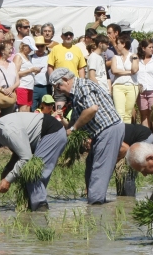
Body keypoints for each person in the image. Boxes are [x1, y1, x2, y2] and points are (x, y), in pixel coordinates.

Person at [50, 67, 124, 205]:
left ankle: (96, 206)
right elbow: (76, 118)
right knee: (90, 167)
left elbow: (92, 109)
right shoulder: (74, 93)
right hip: (99, 133)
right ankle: (94, 199)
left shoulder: (83, 86)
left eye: (58, 87)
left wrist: (73, 128)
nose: (58, 91)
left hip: (109, 129)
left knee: (99, 169)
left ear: (66, 80)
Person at [0, 111, 67, 211]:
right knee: (29, 175)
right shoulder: (0, 129)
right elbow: (19, 152)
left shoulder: (8, 130)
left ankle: (40, 210)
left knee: (32, 173)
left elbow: (26, 158)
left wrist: (8, 180)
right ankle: (31, 207)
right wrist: (8, 169)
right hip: (45, 135)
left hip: (53, 133)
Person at [111, 34, 139, 123]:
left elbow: (135, 69)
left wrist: (123, 72)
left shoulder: (134, 56)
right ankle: (120, 133)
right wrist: (129, 72)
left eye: (118, 43)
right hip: (118, 86)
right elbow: (114, 70)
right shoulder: (116, 57)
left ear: (123, 44)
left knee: (128, 113)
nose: (116, 45)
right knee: (119, 112)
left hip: (132, 86)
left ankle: (126, 135)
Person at [0, 41, 19, 121]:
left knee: (7, 119)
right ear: (2, 51)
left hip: (10, 95)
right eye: (9, 49)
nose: (11, 51)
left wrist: (11, 88)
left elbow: (18, 82)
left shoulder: (13, 64)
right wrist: (2, 89)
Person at [13, 36, 40, 112]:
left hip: (29, 87)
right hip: (22, 86)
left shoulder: (28, 57)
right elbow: (15, 73)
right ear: (24, 46)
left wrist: (34, 71)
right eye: (29, 48)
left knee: (28, 109)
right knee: (23, 109)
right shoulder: (18, 56)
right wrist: (30, 70)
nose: (31, 50)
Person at [30, 35, 49, 110]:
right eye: (38, 46)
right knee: (32, 108)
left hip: (46, 87)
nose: (40, 48)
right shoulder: (30, 57)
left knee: (45, 108)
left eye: (42, 46)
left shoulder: (49, 57)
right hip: (34, 87)